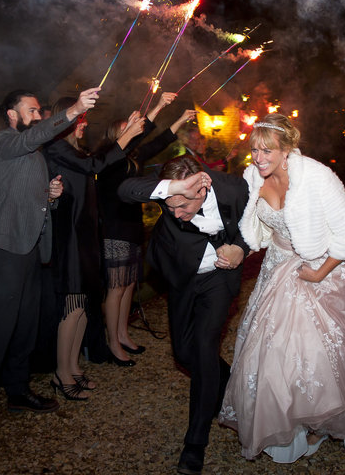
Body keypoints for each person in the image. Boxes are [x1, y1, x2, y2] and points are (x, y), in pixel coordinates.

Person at [218, 113, 345, 463]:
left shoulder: (316, 177)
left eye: (267, 150)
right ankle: (291, 424)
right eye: (254, 150)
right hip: (276, 269)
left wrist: (320, 271)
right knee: (275, 348)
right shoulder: (252, 176)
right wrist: (239, 248)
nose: (259, 158)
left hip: (320, 268)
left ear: (287, 149)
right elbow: (255, 227)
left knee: (328, 349)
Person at [0, 88, 99, 447]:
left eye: (41, 111)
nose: (38, 116)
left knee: (26, 326)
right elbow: (38, 135)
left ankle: (18, 392)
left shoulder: (33, 152)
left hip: (32, 247)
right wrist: (71, 111)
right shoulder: (5, 141)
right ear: (12, 114)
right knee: (1, 328)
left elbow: (31, 200)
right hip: (6, 248)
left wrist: (50, 197)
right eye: (32, 110)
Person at [118, 154, 249, 475]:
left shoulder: (234, 188)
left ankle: (195, 443)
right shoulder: (171, 193)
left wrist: (241, 247)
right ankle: (231, 384)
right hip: (180, 276)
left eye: (183, 206)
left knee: (205, 349)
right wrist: (173, 189)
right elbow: (124, 190)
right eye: (170, 205)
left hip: (219, 280)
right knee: (184, 354)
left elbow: (258, 222)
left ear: (203, 186)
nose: (175, 214)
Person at [43, 96, 144, 400]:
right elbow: (96, 165)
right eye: (80, 118)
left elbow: (94, 163)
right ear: (68, 119)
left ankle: (74, 368)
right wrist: (126, 136)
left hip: (87, 236)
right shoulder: (56, 147)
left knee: (85, 307)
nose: (85, 123)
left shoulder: (76, 149)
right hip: (70, 237)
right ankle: (61, 373)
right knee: (72, 308)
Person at [97, 92, 195, 364]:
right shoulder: (107, 160)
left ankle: (123, 334)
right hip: (113, 230)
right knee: (116, 287)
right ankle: (112, 342)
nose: (135, 133)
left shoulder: (133, 159)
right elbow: (142, 132)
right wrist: (158, 105)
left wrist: (179, 118)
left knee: (129, 285)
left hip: (132, 228)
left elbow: (160, 139)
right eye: (126, 131)